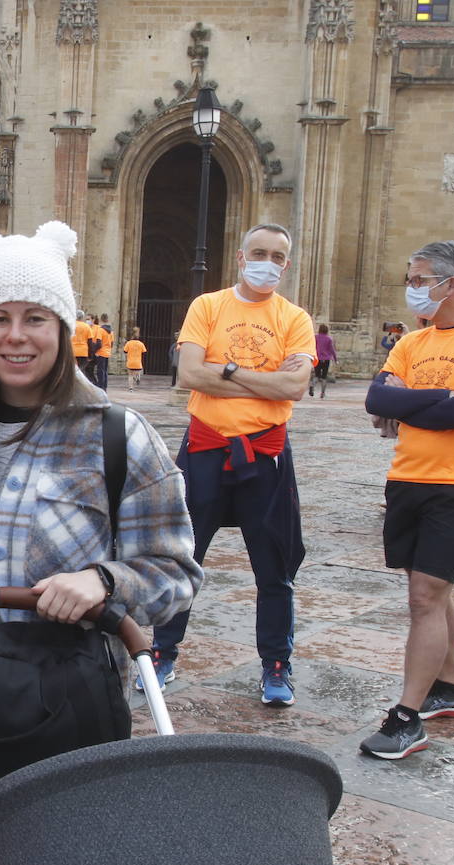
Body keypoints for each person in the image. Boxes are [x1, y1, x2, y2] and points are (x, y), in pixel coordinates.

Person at [0, 220, 201, 692]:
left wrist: (105, 582)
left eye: (35, 318)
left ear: (61, 328)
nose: (16, 336)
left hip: (62, 698)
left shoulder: (120, 437)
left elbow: (175, 574)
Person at [147, 223, 314, 705]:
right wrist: (262, 378)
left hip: (267, 453)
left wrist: (225, 371)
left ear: (287, 263)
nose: (268, 262)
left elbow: (295, 388)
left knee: (275, 565)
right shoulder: (209, 306)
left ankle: (276, 665)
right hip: (205, 447)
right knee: (184, 556)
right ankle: (163, 653)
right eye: (259, 252)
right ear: (241, 258)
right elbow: (187, 373)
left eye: (278, 256)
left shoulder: (294, 318)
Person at [360, 241, 454, 759]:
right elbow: (377, 400)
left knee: (424, 597)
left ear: (452, 284)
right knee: (435, 592)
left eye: (420, 279)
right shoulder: (412, 342)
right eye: (411, 278)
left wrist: (413, 402)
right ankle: (452, 689)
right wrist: (438, 399)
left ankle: (407, 717)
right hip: (407, 477)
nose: (412, 288)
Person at [312, 323, 336, 398]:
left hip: (317, 358)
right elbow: (332, 350)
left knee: (316, 375)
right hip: (326, 359)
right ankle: (322, 393)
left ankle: (312, 386)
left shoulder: (315, 337)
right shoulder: (328, 339)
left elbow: (312, 346)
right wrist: (335, 358)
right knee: (324, 377)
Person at [94, 312, 114, 390]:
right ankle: (104, 387)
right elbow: (112, 343)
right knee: (105, 371)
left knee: (100, 371)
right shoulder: (111, 331)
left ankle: (101, 387)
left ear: (101, 320)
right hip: (107, 352)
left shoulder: (101, 330)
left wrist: (95, 351)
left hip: (101, 352)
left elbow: (99, 342)